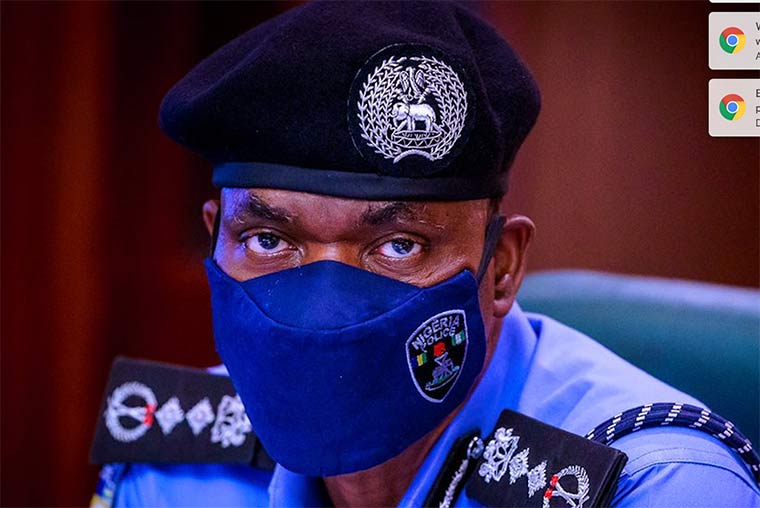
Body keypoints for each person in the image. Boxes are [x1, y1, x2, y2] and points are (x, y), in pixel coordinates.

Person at [90, 2, 760, 507]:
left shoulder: (655, 486)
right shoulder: (178, 466)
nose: (326, 312)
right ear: (216, 235)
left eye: (397, 245)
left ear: (503, 268)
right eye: (269, 240)